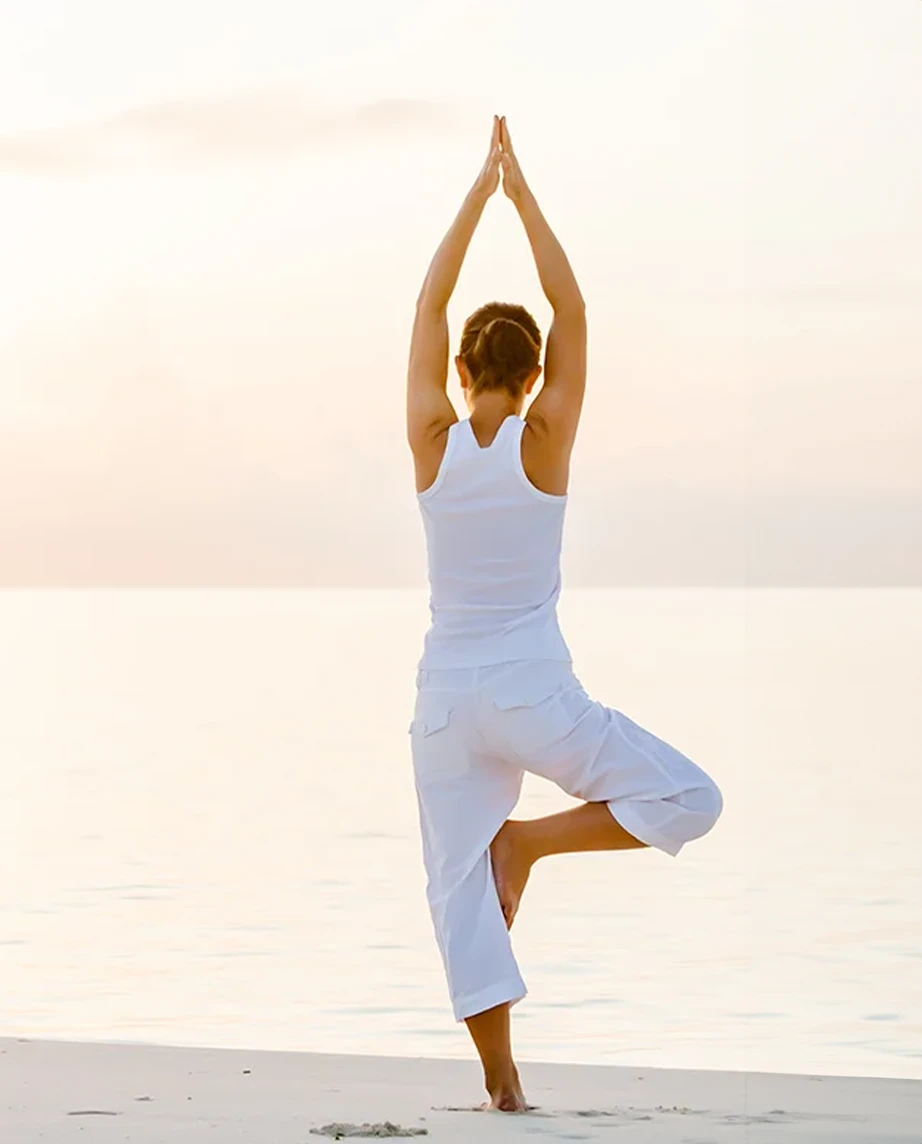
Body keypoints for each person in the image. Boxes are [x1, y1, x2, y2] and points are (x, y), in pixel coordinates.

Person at [405, 115, 723, 1112]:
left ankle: (504, 1087)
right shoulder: (544, 436)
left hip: (447, 701)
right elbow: (572, 306)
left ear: (460, 372)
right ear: (534, 373)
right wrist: (519, 189)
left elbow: (427, 300)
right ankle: (532, 842)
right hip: (535, 694)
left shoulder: (430, 437)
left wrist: (475, 193)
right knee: (688, 799)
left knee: (457, 892)